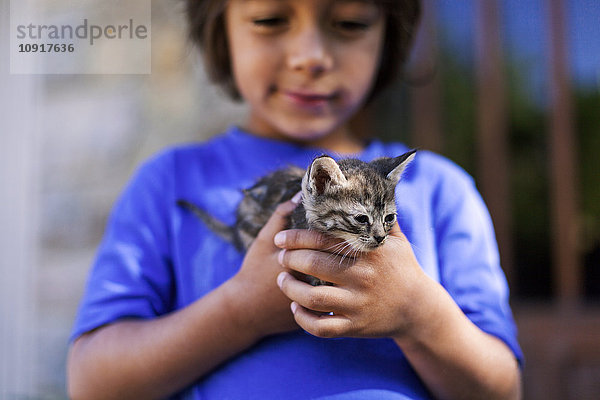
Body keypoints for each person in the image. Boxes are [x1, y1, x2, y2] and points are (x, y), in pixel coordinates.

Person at [67, 0, 523, 399]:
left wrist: (417, 315)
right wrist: (241, 311)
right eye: (269, 19)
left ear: (389, 33)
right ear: (220, 28)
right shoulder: (168, 181)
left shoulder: (442, 188)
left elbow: (503, 390)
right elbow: (91, 384)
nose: (310, 57)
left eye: (348, 24)